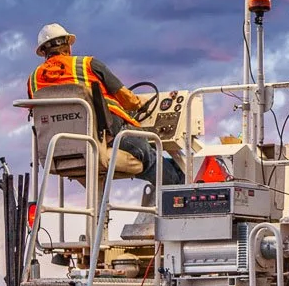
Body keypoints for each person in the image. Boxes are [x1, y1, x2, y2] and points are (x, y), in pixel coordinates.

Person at [26, 22, 182, 188]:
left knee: (144, 156)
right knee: (148, 155)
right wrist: (140, 103)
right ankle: (179, 191)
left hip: (57, 151)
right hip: (104, 137)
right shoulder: (88, 65)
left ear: (43, 52)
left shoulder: (33, 81)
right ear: (68, 46)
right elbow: (128, 100)